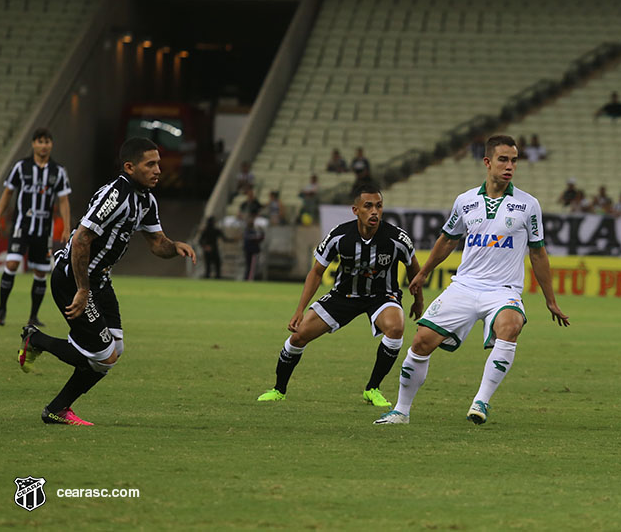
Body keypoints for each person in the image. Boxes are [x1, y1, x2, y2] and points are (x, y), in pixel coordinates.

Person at [374, 135, 569, 426]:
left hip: (503, 291)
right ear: (487, 162)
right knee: (421, 342)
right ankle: (401, 411)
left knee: (511, 325)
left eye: (514, 160)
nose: (509, 166)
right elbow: (447, 240)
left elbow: (538, 254)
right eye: (503, 160)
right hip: (464, 287)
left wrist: (550, 300)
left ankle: (481, 402)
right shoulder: (465, 202)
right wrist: (424, 271)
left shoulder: (528, 206)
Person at [16, 137, 196, 425]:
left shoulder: (146, 199)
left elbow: (156, 242)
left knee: (114, 350)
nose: (158, 170)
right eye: (150, 164)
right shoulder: (116, 194)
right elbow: (81, 240)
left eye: (158, 164)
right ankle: (35, 339)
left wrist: (174, 247)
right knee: (104, 356)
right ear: (129, 167)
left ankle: (57, 408)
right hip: (73, 278)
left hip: (99, 279)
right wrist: (83, 289)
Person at [256, 183, 423, 407]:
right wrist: (299, 310)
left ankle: (372, 388)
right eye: (368, 206)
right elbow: (316, 273)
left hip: (382, 296)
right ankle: (279, 389)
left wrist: (418, 301)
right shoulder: (339, 235)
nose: (374, 211)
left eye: (379, 206)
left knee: (396, 327)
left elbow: (415, 270)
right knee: (298, 336)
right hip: (343, 296)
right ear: (356, 210)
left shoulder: (397, 239)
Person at [0, 128, 71, 327]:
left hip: (43, 230)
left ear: (51, 144)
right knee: (11, 264)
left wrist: (66, 227)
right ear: (33, 144)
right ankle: (1, 310)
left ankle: (33, 317)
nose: (43, 145)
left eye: (47, 141)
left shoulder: (58, 171)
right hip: (21, 226)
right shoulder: (21, 167)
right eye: (40, 141)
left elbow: (63, 201)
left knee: (40, 272)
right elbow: (7, 193)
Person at [243, 214, 264, 281]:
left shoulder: (253, 231)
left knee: (251, 266)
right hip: (250, 250)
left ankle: (249, 278)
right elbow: (252, 238)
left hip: (253, 251)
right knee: (250, 266)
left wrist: (261, 232)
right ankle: (248, 278)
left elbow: (260, 238)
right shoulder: (248, 231)